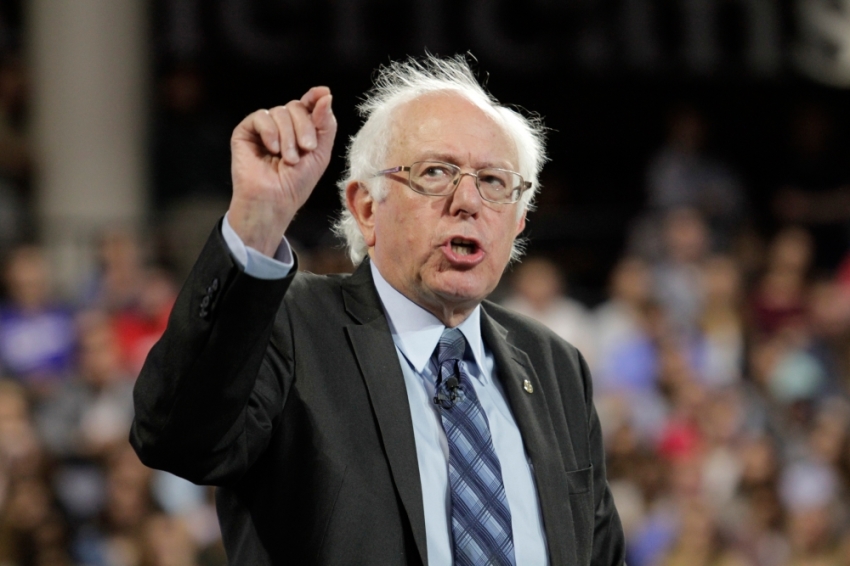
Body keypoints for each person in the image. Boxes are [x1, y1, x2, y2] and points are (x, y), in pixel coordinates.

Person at [131, 55, 624, 565]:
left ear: (518, 222)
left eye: (495, 182)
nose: (468, 201)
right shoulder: (289, 325)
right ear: (367, 208)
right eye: (436, 172)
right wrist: (258, 221)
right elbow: (175, 438)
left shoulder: (555, 367)